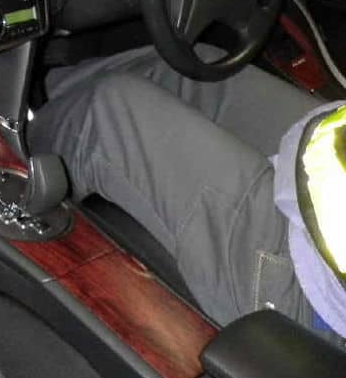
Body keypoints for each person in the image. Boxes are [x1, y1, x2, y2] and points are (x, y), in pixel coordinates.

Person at [29, 44, 344, 342]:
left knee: (105, 112)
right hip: (325, 166)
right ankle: (35, 87)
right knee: (196, 66)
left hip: (312, 292)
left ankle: (14, 153)